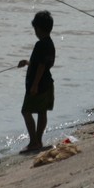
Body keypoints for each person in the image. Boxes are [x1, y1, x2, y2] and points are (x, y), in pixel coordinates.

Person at [17, 10, 56, 154]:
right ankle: (38, 140)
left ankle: (34, 142)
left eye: (35, 29)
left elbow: (41, 66)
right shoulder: (50, 44)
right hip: (47, 83)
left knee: (26, 111)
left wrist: (34, 85)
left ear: (38, 28)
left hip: (38, 85)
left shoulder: (40, 45)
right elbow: (42, 63)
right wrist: (27, 63)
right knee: (41, 112)